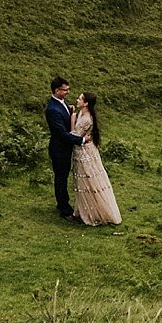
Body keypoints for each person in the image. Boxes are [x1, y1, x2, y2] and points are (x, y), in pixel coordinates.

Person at [70, 91, 121, 226]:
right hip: (82, 150)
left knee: (88, 181)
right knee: (83, 181)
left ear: (86, 103)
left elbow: (75, 135)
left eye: (80, 99)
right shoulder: (83, 113)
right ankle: (83, 210)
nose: (77, 100)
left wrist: (72, 119)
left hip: (84, 153)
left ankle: (91, 213)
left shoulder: (86, 118)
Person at [44, 76, 84, 222]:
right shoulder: (53, 109)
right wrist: (82, 140)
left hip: (64, 148)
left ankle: (62, 203)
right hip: (59, 149)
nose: (68, 92)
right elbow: (61, 134)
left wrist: (71, 111)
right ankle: (64, 208)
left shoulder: (61, 103)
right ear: (56, 90)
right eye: (65, 90)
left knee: (63, 176)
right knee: (60, 178)